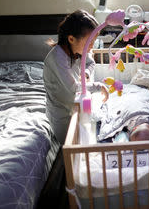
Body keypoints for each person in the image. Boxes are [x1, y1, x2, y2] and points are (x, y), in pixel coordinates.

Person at [43, 10, 109, 145]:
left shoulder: (79, 51)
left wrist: (85, 74)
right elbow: (73, 89)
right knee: (71, 146)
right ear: (71, 39)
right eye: (89, 42)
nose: (91, 47)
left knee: (89, 134)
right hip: (61, 113)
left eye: (94, 42)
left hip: (76, 104)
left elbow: (91, 62)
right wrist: (98, 86)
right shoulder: (58, 58)